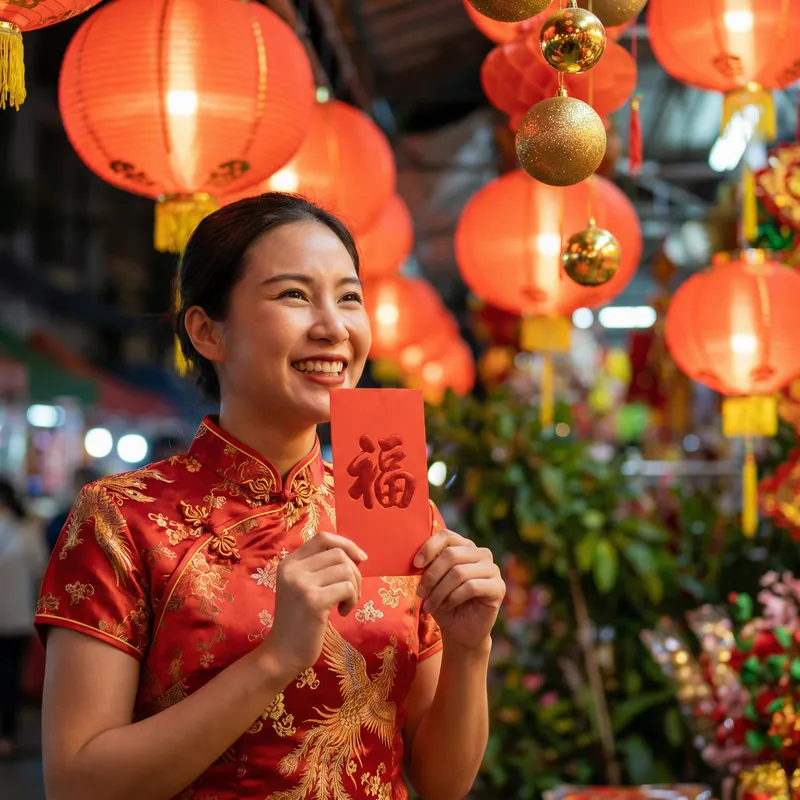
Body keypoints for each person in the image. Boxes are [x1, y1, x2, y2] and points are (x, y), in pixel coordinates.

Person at [35, 193, 505, 800]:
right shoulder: (123, 518)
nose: (333, 327)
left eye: (349, 297)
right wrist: (275, 659)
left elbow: (440, 783)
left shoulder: (398, 511)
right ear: (207, 331)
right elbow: (76, 784)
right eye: (293, 295)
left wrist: (471, 650)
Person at [0, 478, 46, 757]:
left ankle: (6, 732)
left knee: (8, 677)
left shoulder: (26, 531)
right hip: (17, 615)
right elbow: (40, 573)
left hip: (16, 617)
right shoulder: (27, 532)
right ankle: (6, 734)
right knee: (9, 676)